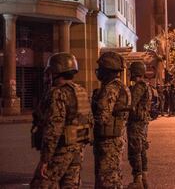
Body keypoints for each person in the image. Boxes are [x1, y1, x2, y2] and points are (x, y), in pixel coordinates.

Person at [31, 53, 93, 188]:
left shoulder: (57, 93)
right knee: (70, 185)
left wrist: (45, 159)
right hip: (78, 148)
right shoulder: (81, 90)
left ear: (56, 72)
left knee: (41, 183)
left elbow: (54, 128)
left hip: (62, 149)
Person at [92, 51, 131, 188]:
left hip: (108, 141)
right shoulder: (121, 86)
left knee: (107, 179)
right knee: (113, 175)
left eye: (101, 69)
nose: (99, 72)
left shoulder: (111, 88)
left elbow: (102, 116)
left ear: (108, 70)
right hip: (115, 138)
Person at [127, 61, 152, 189]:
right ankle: (143, 179)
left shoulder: (139, 86)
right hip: (141, 122)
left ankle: (138, 180)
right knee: (141, 149)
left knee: (135, 150)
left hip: (136, 122)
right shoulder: (145, 85)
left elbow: (131, 103)